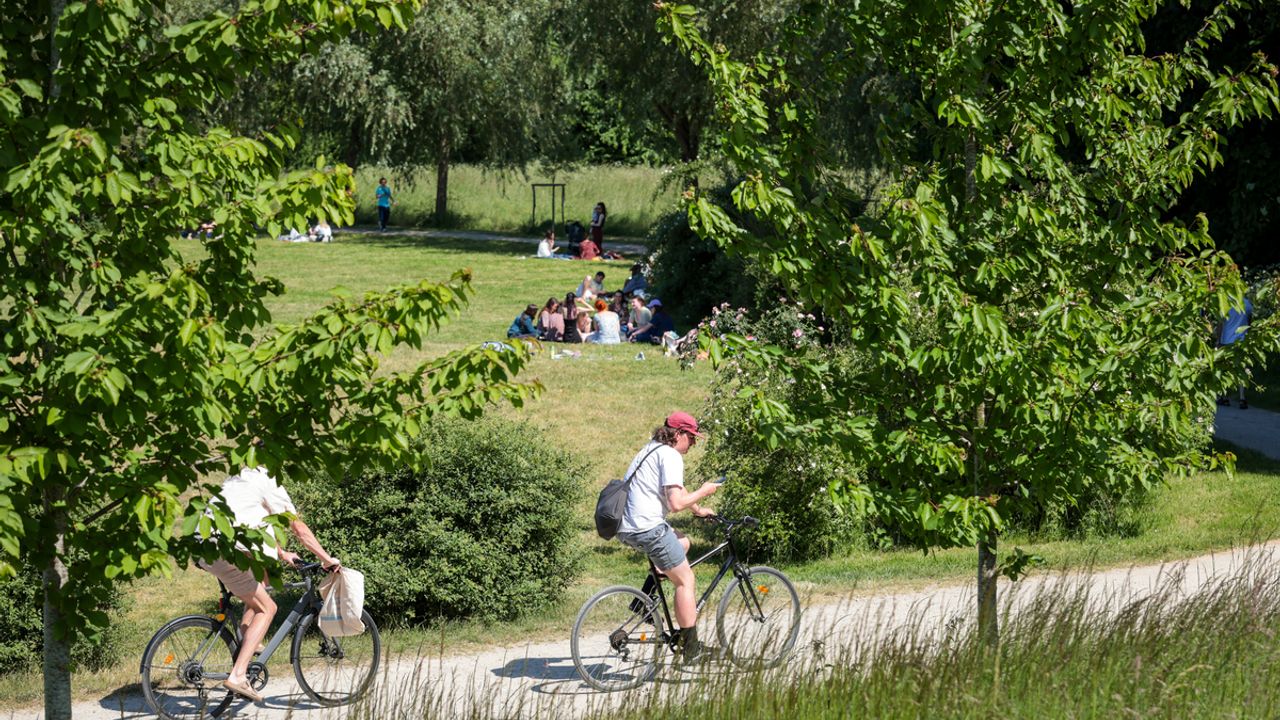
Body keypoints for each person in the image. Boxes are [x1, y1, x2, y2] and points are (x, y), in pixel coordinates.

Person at [199, 467, 341, 702]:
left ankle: (247, 640)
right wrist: (326, 559)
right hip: (225, 549)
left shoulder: (239, 477)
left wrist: (282, 553)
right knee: (269, 608)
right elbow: (299, 529)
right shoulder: (269, 480)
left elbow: (250, 524)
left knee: (262, 575)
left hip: (205, 545)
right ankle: (238, 675)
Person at [616, 412, 720, 661]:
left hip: (627, 526)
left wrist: (698, 510)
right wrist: (704, 492)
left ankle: (643, 602)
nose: (693, 444)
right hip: (647, 527)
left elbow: (674, 487)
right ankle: (691, 651)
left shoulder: (652, 449)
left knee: (683, 542)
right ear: (679, 434)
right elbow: (675, 504)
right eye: (692, 438)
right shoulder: (671, 455)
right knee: (686, 581)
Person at [1217, 297, 1254, 409]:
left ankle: (1224, 397)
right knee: (1241, 370)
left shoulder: (1225, 303)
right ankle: (1242, 398)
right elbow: (1249, 323)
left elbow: (1220, 324)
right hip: (1242, 341)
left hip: (1226, 340)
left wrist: (1218, 341)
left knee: (1225, 369)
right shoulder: (1247, 304)